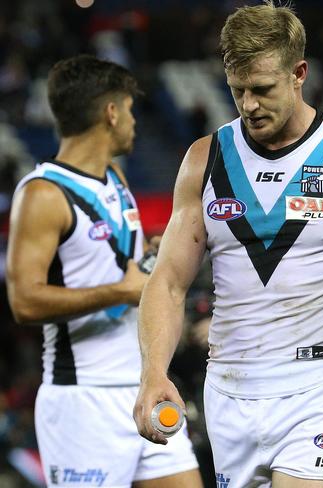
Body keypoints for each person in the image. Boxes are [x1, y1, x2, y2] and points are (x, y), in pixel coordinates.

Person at [132, 3, 323, 488]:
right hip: (229, 390)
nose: (248, 105)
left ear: (299, 73)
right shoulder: (204, 160)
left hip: (321, 388)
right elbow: (169, 282)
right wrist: (152, 371)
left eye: (262, 89)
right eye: (237, 90)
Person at [6, 55, 202, 488]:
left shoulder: (115, 177)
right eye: (130, 109)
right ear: (112, 113)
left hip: (142, 384)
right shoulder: (43, 193)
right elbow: (23, 301)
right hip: (83, 398)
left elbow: (118, 263)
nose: (134, 121)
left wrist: (148, 255)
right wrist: (121, 291)